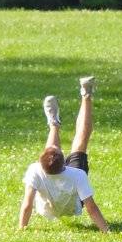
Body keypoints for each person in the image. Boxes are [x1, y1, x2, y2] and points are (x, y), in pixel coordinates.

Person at [19, 77, 109, 233]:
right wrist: (106, 230)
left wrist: (22, 228)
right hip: (73, 207)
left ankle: (54, 124)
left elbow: (27, 205)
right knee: (80, 142)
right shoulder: (77, 175)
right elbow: (92, 208)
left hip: (47, 210)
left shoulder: (35, 170)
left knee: (52, 150)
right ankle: (86, 94)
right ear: (64, 163)